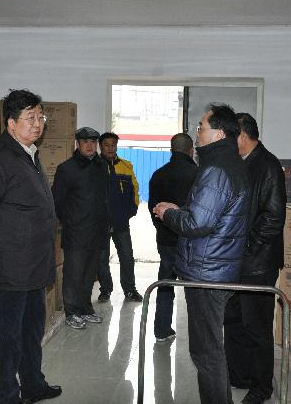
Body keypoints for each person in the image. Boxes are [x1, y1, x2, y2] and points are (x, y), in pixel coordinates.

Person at [0, 89, 62, 404]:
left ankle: (33, 385)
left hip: (34, 262)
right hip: (11, 264)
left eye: (41, 117)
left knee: (31, 330)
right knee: (6, 337)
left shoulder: (28, 153)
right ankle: (5, 396)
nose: (38, 124)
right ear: (10, 123)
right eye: (30, 118)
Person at [153, 104, 251, 404]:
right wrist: (181, 210)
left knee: (206, 353)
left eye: (201, 127)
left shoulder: (216, 170)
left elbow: (198, 224)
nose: (197, 133)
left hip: (208, 273)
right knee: (210, 349)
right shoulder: (229, 163)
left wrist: (168, 213)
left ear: (218, 133)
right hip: (216, 267)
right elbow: (209, 214)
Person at [224, 113, 286, 404]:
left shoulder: (268, 165)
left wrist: (246, 246)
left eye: (230, 136)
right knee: (234, 320)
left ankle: (262, 387)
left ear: (243, 135)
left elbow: (273, 218)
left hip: (257, 262)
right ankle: (239, 375)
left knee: (257, 326)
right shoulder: (241, 163)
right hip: (237, 261)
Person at [52, 126, 110, 330]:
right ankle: (72, 312)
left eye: (93, 142)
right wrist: (71, 221)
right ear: (77, 144)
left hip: (97, 230)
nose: (90, 146)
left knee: (89, 273)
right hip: (76, 231)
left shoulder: (102, 166)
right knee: (74, 273)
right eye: (85, 142)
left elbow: (104, 197)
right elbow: (57, 201)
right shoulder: (66, 169)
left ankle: (85, 309)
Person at [148, 133, 198, 342]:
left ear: (171, 150)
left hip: (166, 239)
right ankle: (199, 334)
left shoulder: (158, 174)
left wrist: (163, 230)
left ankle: (161, 329)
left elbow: (153, 209)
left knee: (165, 283)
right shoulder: (199, 174)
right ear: (191, 151)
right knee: (195, 289)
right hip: (192, 242)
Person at [97, 132, 144, 303]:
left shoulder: (126, 166)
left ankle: (130, 290)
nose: (110, 149)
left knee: (127, 257)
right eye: (106, 145)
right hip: (100, 223)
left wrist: (131, 210)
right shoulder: (93, 167)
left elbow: (135, 191)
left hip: (121, 222)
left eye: (113, 145)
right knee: (101, 259)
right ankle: (105, 290)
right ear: (100, 147)